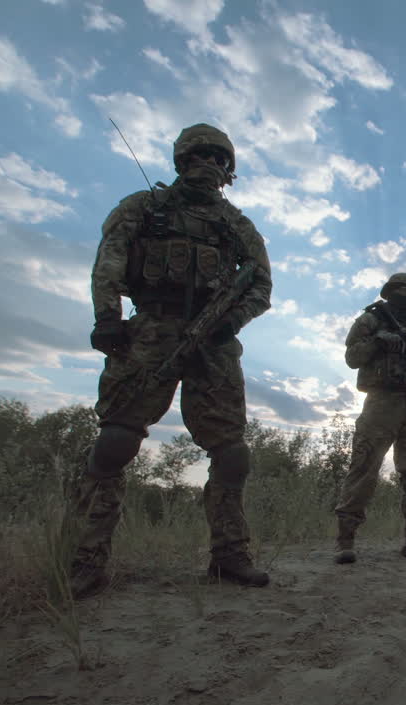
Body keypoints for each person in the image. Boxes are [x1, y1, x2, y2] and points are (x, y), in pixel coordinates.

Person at [70, 123, 273, 599]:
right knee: (116, 441)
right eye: (200, 155)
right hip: (150, 331)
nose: (210, 165)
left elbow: (261, 284)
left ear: (229, 171)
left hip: (214, 344)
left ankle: (229, 555)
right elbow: (109, 261)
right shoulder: (143, 208)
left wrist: (231, 322)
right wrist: (107, 318)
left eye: (219, 159)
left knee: (231, 452)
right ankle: (87, 559)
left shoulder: (236, 225)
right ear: (181, 160)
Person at [333, 273, 406, 564]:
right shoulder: (371, 321)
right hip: (381, 403)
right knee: (364, 467)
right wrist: (379, 342)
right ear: (388, 292)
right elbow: (352, 358)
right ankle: (345, 539)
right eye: (402, 289)